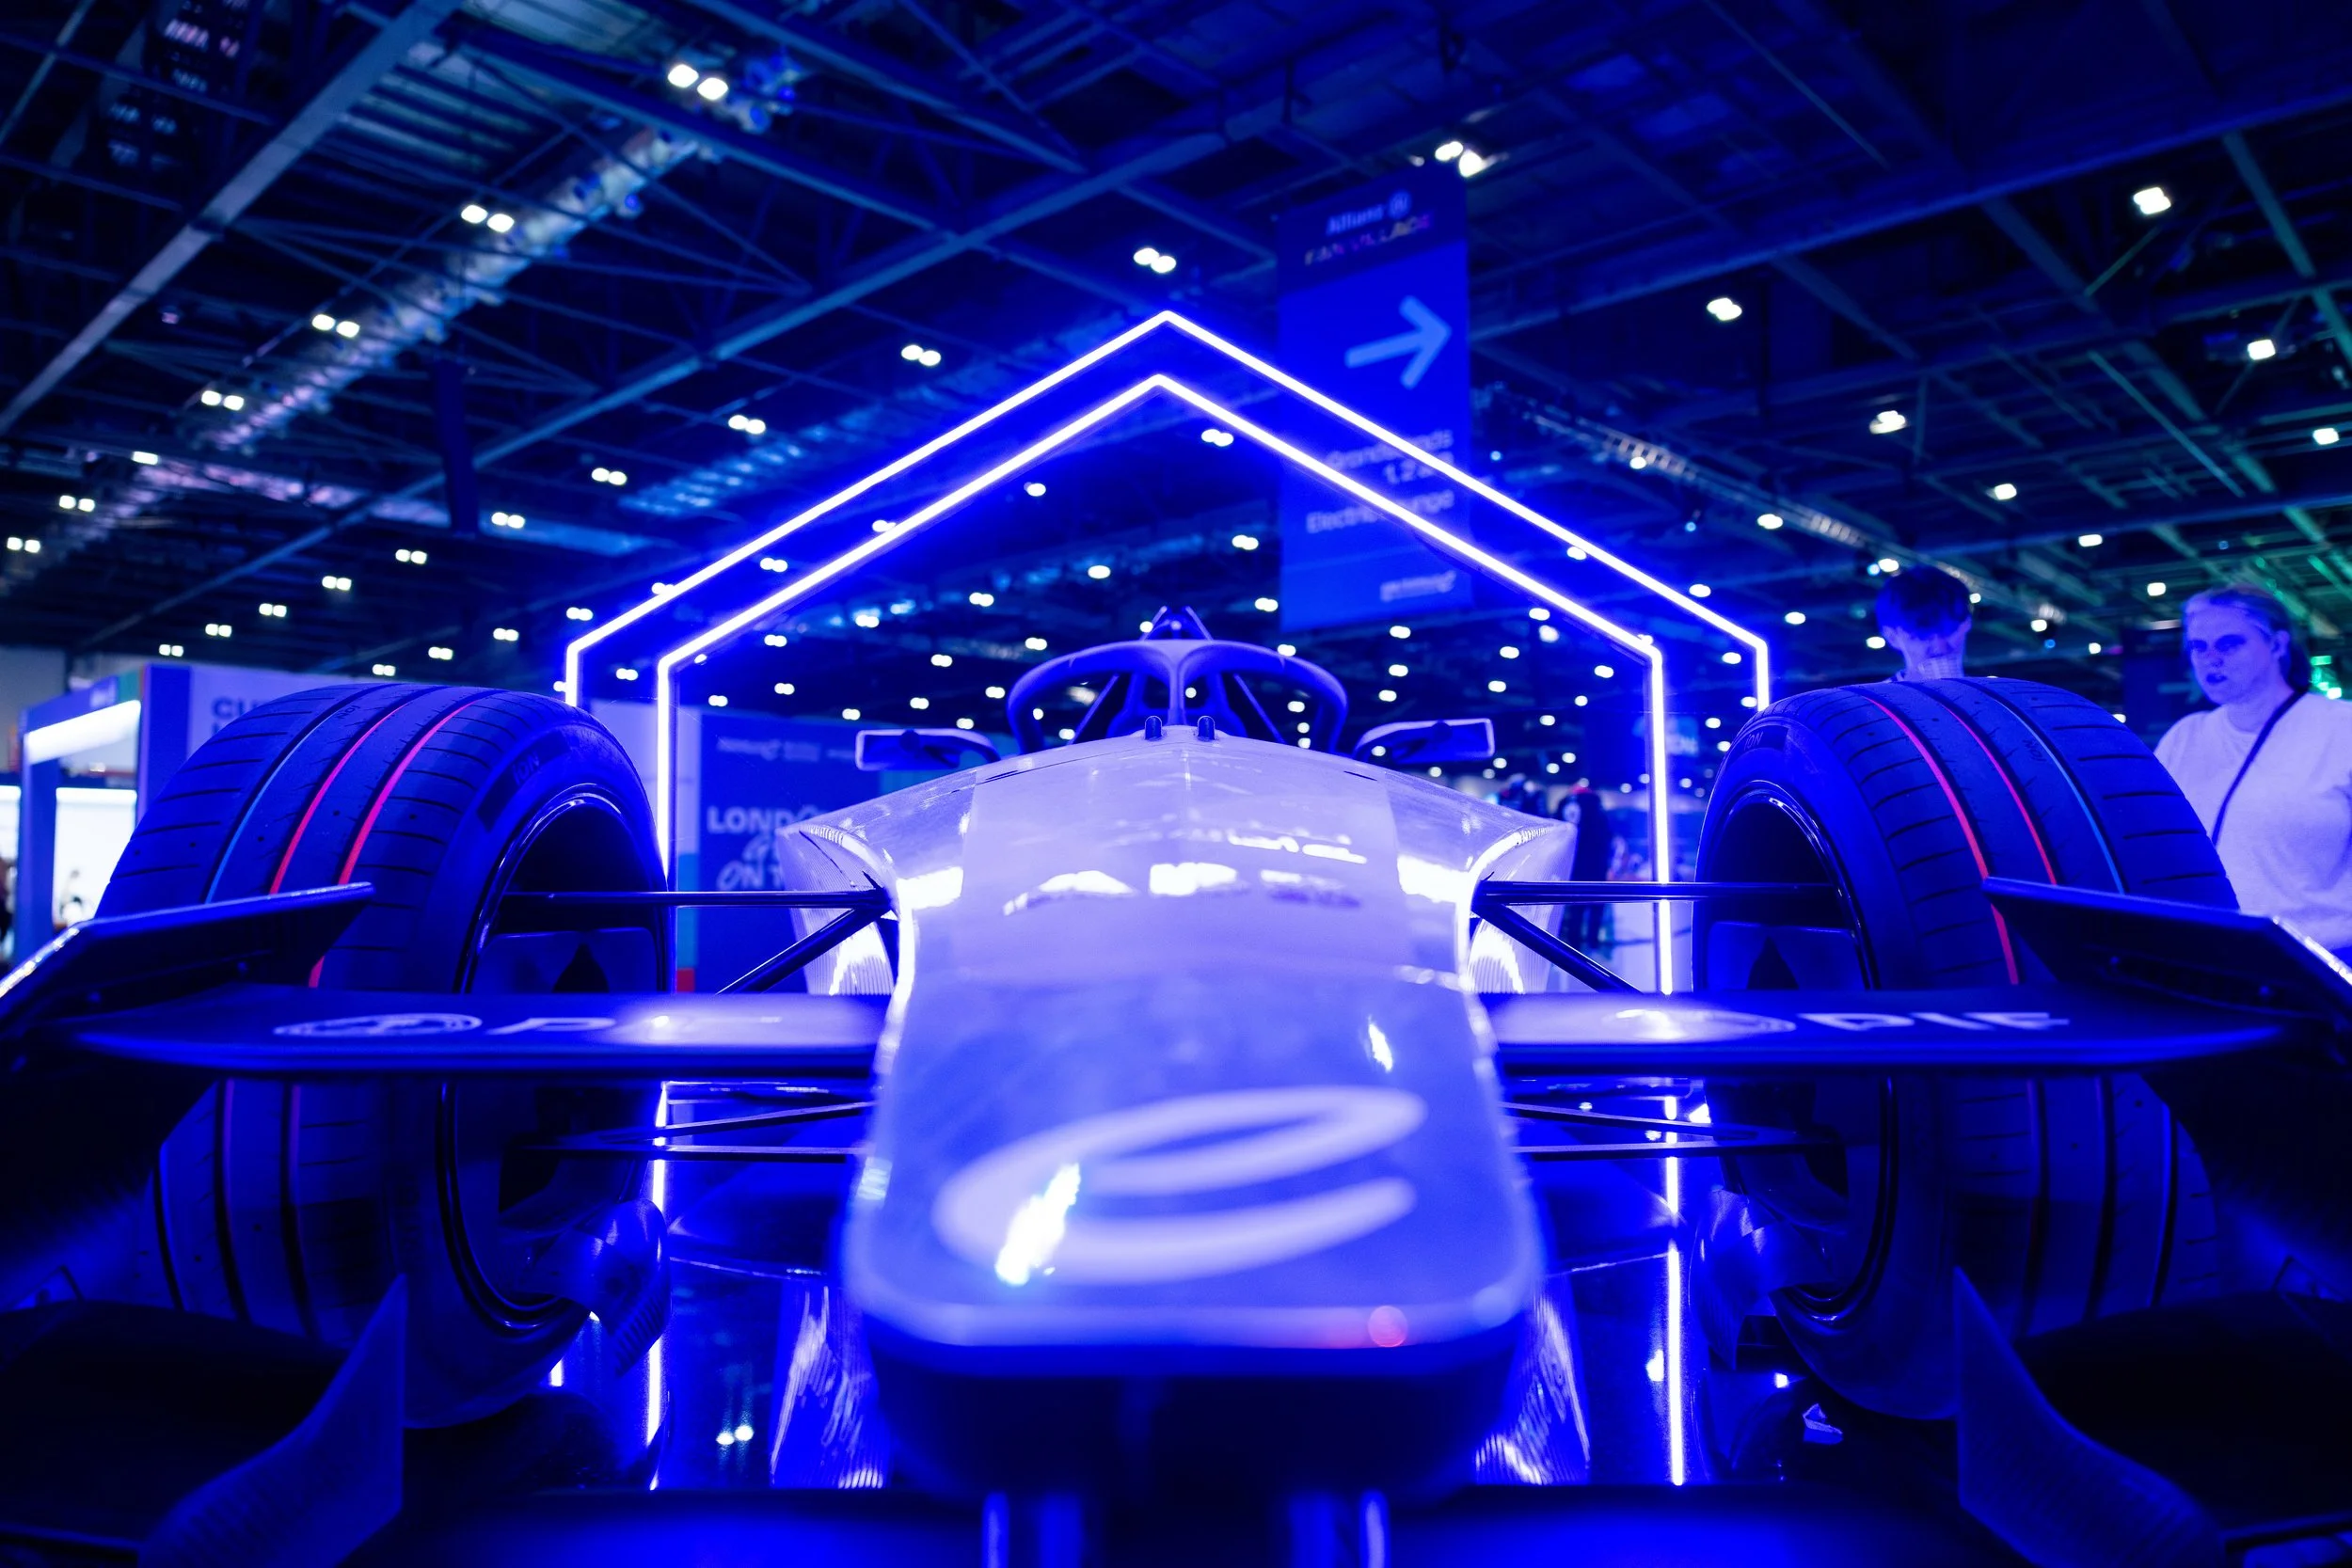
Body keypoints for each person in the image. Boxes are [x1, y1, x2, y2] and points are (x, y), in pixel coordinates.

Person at [2156, 583, 2352, 958]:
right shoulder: (2183, 738)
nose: (2211, 659)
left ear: (2277, 645)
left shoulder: (2341, 728)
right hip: (2207, 955)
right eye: (2198, 646)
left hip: (2321, 959)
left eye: (2229, 644)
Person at [1876, 565, 1974, 681]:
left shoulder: (1989, 691)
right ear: (1892, 637)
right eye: (1922, 636)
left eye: (1950, 631)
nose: (1940, 647)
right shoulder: (1874, 694)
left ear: (1967, 623)